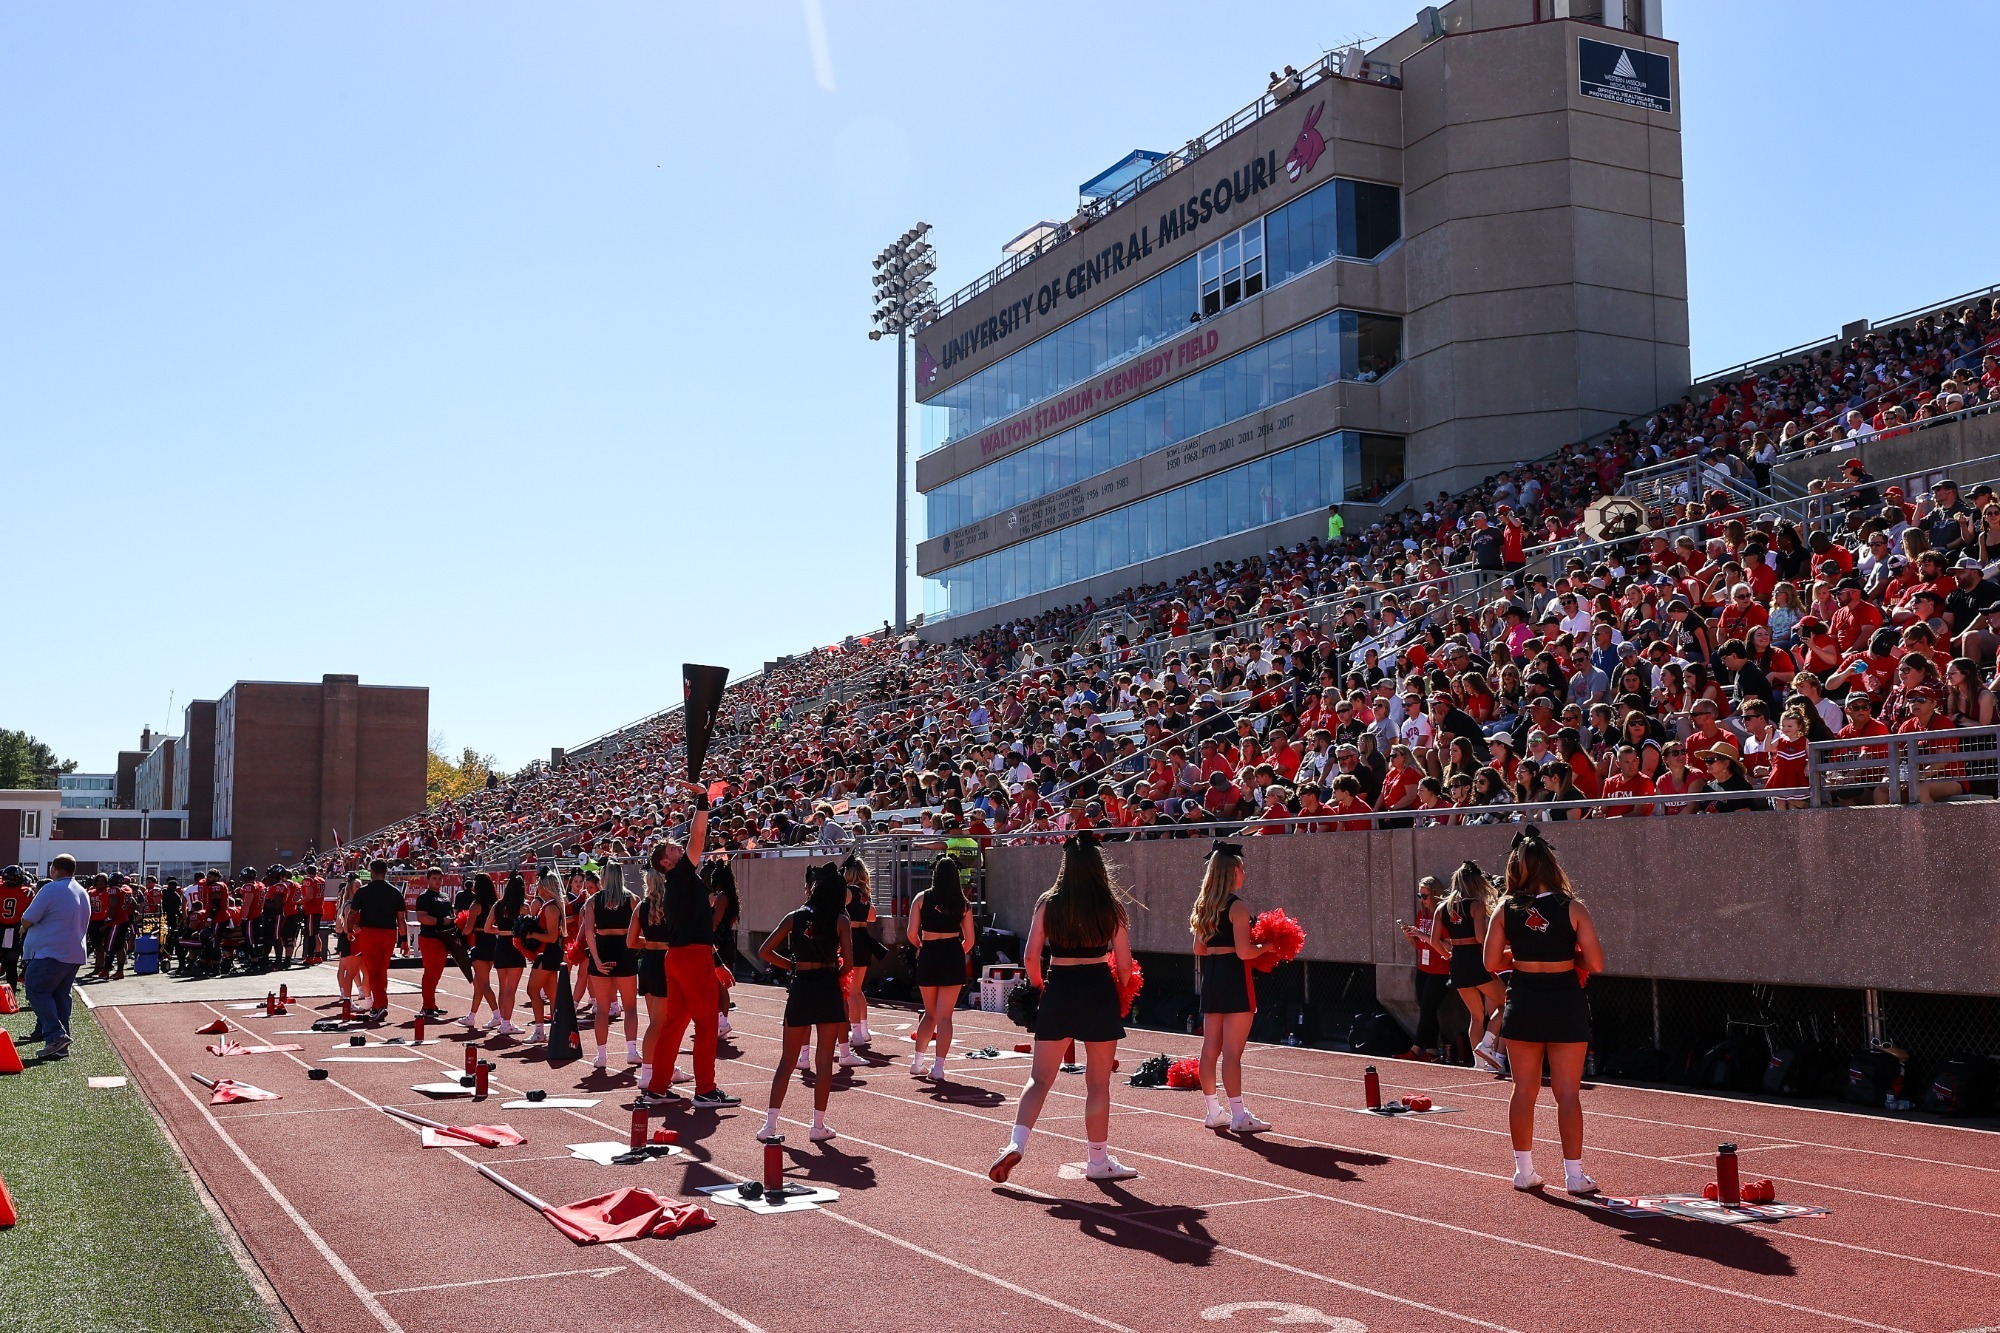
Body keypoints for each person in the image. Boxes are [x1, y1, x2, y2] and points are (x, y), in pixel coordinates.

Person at [989, 833, 1139, 1184]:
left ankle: (1015, 1143)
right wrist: (1121, 988)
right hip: (1098, 988)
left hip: (1059, 987)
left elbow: (1030, 956)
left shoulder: (1049, 902)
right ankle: (1098, 1160)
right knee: (1098, 1082)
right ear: (1098, 866)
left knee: (1039, 1078)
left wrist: (1039, 988)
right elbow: (1125, 964)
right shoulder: (1110, 904)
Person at [1482, 827, 1605, 1196]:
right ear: (1552, 866)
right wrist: (1566, 956)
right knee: (1568, 1093)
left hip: (1524, 1000)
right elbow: (1596, 963)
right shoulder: (1573, 907)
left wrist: (1521, 956)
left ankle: (1524, 1171)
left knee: (1523, 1090)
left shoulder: (1505, 909)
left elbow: (1490, 962)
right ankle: (1575, 1176)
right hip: (1564, 1000)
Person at [628, 780, 740, 1110]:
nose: (680, 849)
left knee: (674, 1026)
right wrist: (703, 800)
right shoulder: (681, 875)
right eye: (673, 849)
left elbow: (698, 928)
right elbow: (698, 836)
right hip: (691, 957)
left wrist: (716, 961)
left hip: (677, 957)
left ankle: (658, 1088)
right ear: (666, 862)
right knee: (706, 1025)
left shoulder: (677, 883)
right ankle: (705, 1090)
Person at [756, 862, 854, 1143]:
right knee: (824, 1062)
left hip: (801, 986)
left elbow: (765, 951)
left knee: (787, 1060)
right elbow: (849, 964)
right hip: (827, 987)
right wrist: (832, 972)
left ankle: (769, 1125)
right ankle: (817, 1126)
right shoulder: (840, 920)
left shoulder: (795, 916)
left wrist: (792, 966)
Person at [1189, 841, 1272, 1132]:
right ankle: (1238, 1116)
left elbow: (1198, 949)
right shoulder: (1238, 906)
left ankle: (1214, 1111)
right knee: (1232, 1053)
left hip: (1211, 975)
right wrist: (1269, 946)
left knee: (1210, 1049)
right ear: (1233, 871)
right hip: (1235, 977)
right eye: (1242, 868)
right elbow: (1245, 952)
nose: (1244, 873)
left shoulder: (1205, 905)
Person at [1433, 861, 1507, 1072]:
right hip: (1476, 960)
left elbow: (1434, 940)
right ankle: (1487, 1045)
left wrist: (1447, 954)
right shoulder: (1476, 905)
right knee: (1507, 1003)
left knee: (1476, 1016)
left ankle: (1479, 1063)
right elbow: (1481, 937)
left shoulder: (1442, 907)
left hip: (1457, 962)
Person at [906, 854, 975, 1080]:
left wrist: (921, 947)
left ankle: (917, 1062)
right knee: (945, 1017)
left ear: (935, 875)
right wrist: (956, 953)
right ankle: (938, 1068)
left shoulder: (921, 898)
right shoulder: (964, 904)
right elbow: (970, 940)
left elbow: (911, 933)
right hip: (952, 954)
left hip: (929, 954)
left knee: (930, 1014)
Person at [21, 855, 88, 1059]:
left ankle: (56, 1035)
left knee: (36, 989)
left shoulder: (51, 889)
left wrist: (23, 928)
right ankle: (60, 1046)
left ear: (54, 869)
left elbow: (28, 918)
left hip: (50, 951)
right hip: (73, 952)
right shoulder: (82, 890)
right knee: (60, 997)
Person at [583, 861, 641, 1069]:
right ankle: (632, 1052)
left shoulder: (593, 900)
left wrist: (596, 960)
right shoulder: (632, 899)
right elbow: (640, 930)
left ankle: (602, 1056)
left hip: (603, 950)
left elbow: (589, 932)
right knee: (630, 1007)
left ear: (604, 877)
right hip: (625, 951)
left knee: (602, 1009)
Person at [1399, 875, 1452, 1061]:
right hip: (1424, 967)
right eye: (1419, 895)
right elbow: (1419, 946)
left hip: (1440, 969)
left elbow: (1449, 946)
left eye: (1425, 896)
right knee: (1427, 1009)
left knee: (1428, 1009)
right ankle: (1431, 1050)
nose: (1421, 900)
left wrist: (1423, 935)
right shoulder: (1422, 914)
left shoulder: (1442, 914)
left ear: (1435, 894)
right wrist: (1411, 936)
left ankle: (1416, 1048)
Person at [346, 859, 406, 1023]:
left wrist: (349, 930)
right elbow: (401, 920)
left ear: (371, 872)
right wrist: (404, 940)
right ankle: (379, 1004)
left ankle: (380, 1005)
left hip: (370, 933)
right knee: (382, 970)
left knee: (373, 971)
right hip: (389, 934)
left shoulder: (363, 891)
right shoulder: (395, 892)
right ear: (386, 872)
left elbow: (352, 913)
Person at [523, 870, 566, 1045]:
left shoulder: (550, 908)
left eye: (539, 883)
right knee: (552, 994)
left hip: (548, 953)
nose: (537, 886)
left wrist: (531, 934)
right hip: (548, 952)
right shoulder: (548, 905)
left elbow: (552, 937)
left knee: (532, 990)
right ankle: (558, 1030)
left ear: (546, 886)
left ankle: (540, 1031)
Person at [455, 874, 503, 1030]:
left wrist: (459, 928)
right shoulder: (495, 903)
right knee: (478, 983)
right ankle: (471, 1016)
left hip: (480, 943)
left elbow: (468, 929)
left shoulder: (476, 905)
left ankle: (497, 1016)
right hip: (493, 942)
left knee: (483, 984)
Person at [486, 872, 528, 1035]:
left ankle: (503, 1021)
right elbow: (529, 929)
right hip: (515, 948)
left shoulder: (498, 905)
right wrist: (513, 932)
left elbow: (487, 928)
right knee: (511, 989)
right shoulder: (523, 907)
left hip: (501, 946)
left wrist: (502, 931)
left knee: (503, 988)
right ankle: (506, 1023)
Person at [411, 866, 454, 1019]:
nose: (437, 881)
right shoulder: (424, 897)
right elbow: (422, 918)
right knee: (430, 973)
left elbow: (451, 916)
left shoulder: (445, 896)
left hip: (444, 938)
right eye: (434, 878)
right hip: (429, 938)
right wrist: (442, 921)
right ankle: (427, 1006)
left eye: (440, 879)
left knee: (437, 973)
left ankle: (431, 1004)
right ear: (428, 880)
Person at [706, 858, 742, 1038]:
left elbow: (715, 922)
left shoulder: (721, 897)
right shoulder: (731, 897)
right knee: (720, 986)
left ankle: (722, 1023)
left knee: (718, 985)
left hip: (719, 942)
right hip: (726, 940)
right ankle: (721, 1022)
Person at [0, 865, 33, 994]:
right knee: (11, 964)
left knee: (10, 963)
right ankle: (11, 995)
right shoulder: (26, 892)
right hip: (15, 930)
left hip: (3, 928)